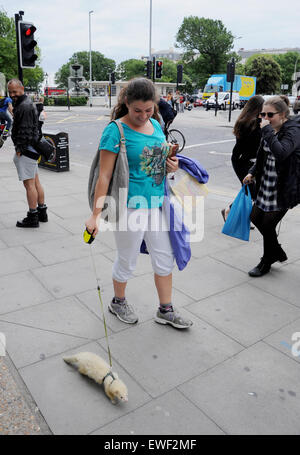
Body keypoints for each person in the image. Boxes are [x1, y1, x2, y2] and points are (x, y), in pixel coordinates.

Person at [85, 77, 193, 329]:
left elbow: (157, 165)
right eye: (137, 111)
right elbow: (104, 175)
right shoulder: (116, 130)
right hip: (128, 205)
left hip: (157, 203)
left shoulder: (156, 125)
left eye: (148, 110)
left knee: (164, 256)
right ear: (126, 103)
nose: (143, 116)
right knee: (128, 257)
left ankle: (165, 309)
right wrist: (95, 214)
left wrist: (171, 166)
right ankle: (118, 301)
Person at [243, 96, 300, 277]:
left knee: (267, 224)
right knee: (254, 217)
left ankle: (266, 261)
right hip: (266, 184)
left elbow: (281, 153)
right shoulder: (269, 128)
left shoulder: (293, 130)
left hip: (284, 187)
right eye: (263, 114)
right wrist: (252, 171)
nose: (265, 118)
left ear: (282, 114)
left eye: (270, 115)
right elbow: (263, 155)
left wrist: (267, 130)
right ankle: (276, 251)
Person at [7, 79, 48, 228]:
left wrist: (19, 149)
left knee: (29, 185)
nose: (12, 95)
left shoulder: (24, 106)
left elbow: (24, 130)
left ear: (22, 89)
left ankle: (32, 217)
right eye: (10, 92)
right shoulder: (27, 103)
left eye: (15, 91)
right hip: (33, 149)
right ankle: (42, 212)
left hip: (26, 151)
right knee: (36, 182)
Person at [221, 95, 264, 221]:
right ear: (257, 108)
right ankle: (228, 210)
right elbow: (249, 144)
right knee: (250, 191)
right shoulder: (246, 123)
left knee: (251, 191)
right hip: (241, 161)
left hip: (250, 161)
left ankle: (245, 215)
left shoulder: (257, 122)